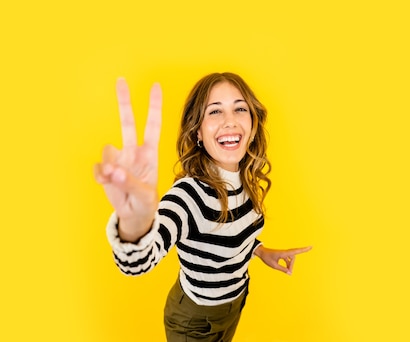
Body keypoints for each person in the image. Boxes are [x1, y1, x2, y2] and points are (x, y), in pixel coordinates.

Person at [94, 72, 312, 342]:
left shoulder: (244, 176)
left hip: (235, 303)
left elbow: (228, 231)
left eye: (240, 108)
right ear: (198, 131)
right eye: (215, 111)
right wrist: (134, 225)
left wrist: (260, 250)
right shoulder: (189, 196)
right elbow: (136, 263)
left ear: (253, 125)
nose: (230, 120)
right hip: (194, 322)